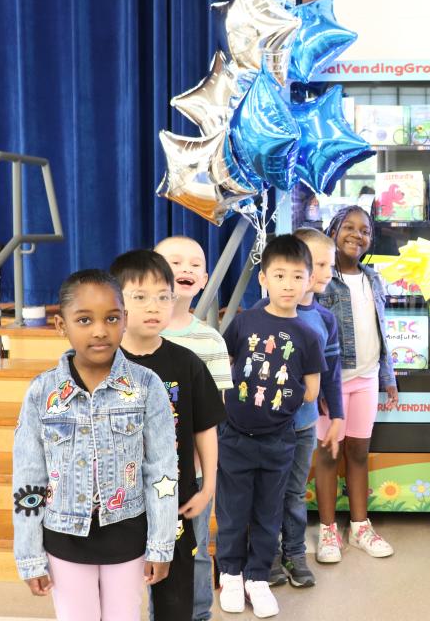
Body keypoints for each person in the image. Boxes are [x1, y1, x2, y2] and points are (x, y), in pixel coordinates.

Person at [11, 269, 178, 621]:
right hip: (64, 539)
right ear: (61, 325)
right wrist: (29, 554)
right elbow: (29, 478)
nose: (100, 330)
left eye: (111, 318)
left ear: (125, 320)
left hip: (129, 535)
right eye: (84, 320)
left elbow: (162, 471)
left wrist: (162, 545)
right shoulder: (42, 393)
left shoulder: (147, 386)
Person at [109, 250, 226, 621]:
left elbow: (206, 427)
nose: (154, 306)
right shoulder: (102, 362)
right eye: (139, 297)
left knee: (175, 595)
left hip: (174, 495)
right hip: (117, 498)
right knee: (118, 592)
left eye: (163, 296)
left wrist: (206, 487)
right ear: (116, 302)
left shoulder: (186, 362)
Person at [216, 235, 324, 618]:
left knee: (268, 510)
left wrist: (284, 393)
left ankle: (257, 576)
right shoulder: (245, 320)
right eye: (279, 275)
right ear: (264, 278)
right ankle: (230, 573)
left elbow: (311, 390)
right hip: (234, 435)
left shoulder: (310, 335)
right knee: (232, 508)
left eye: (297, 276)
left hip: (279, 438)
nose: (288, 284)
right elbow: (225, 360)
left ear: (309, 281)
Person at [154, 235, 234, 621]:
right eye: (174, 261)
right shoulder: (127, 336)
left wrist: (208, 481)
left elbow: (210, 419)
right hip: (138, 473)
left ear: (204, 279)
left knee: (197, 552)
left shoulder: (210, 340)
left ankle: (198, 614)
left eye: (194, 263)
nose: (185, 268)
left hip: (191, 476)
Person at [261, 228, 344, 588]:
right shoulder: (256, 316)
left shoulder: (325, 320)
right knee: (267, 492)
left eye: (327, 265)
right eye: (319, 263)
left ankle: (295, 553)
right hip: (265, 427)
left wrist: (338, 416)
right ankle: (267, 556)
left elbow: (333, 373)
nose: (324, 272)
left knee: (294, 493)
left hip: (304, 425)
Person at [314, 205, 398, 562]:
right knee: (329, 456)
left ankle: (360, 525)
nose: (356, 235)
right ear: (332, 232)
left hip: (365, 381)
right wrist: (316, 385)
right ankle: (328, 531)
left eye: (364, 230)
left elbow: (380, 332)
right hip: (330, 385)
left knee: (359, 454)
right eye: (348, 227)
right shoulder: (320, 280)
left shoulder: (373, 279)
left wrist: (387, 378)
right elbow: (310, 333)